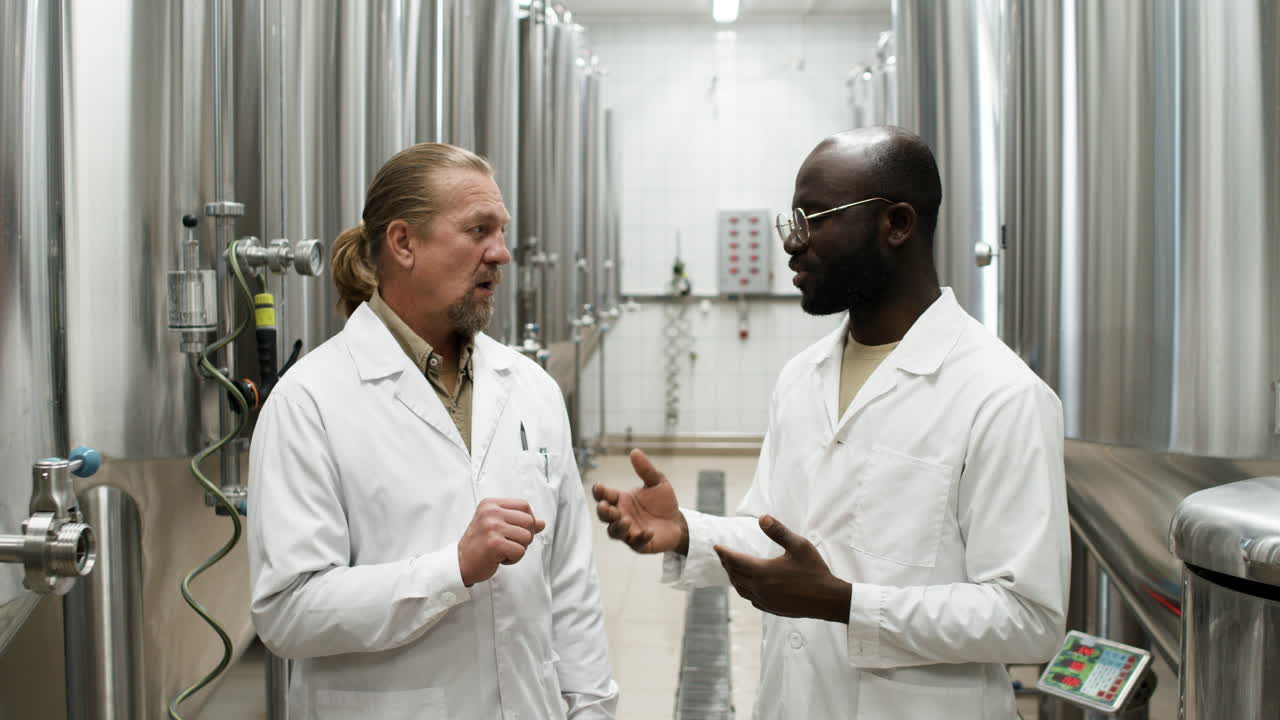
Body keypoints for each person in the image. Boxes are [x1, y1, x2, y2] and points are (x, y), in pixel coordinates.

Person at [593, 126, 1068, 719]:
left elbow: (1030, 619)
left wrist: (847, 605)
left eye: (815, 218)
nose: (792, 244)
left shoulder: (1001, 396)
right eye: (790, 220)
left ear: (896, 224)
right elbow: (778, 538)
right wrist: (689, 532)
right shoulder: (802, 377)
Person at [248, 143, 618, 719]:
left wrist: (592, 708)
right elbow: (288, 612)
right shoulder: (311, 400)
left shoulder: (529, 386)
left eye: (501, 231)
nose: (500, 253)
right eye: (478, 230)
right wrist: (451, 570)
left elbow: (570, 582)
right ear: (403, 243)